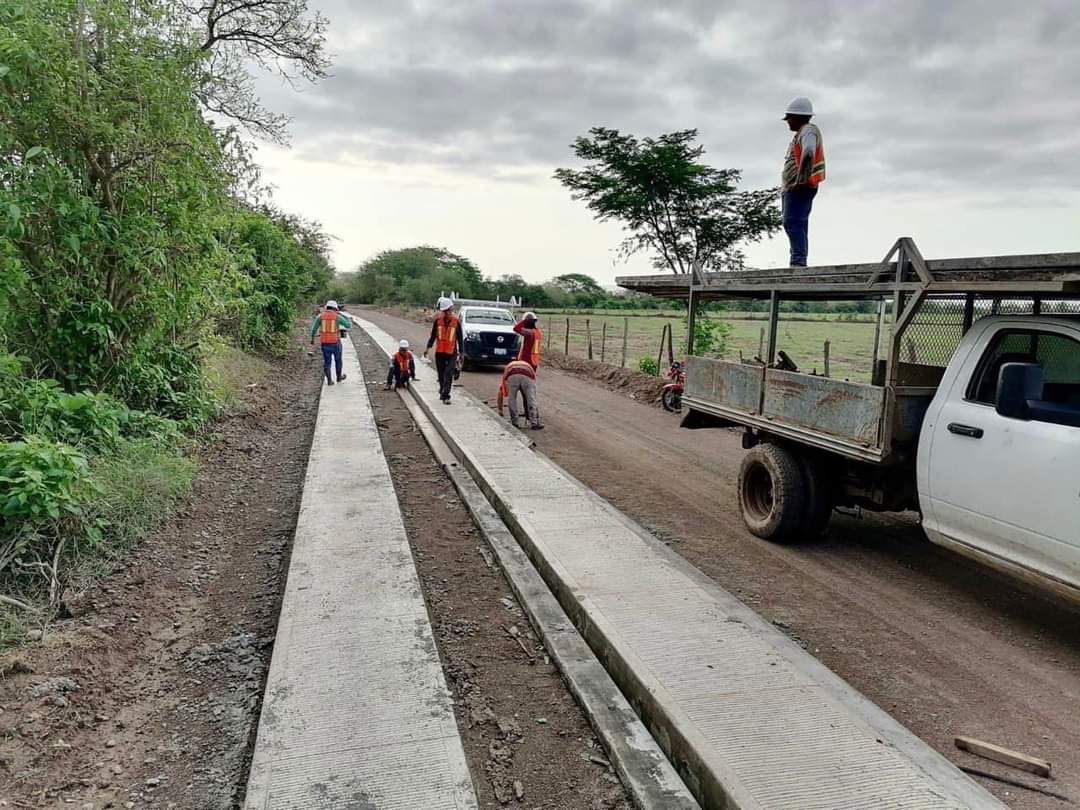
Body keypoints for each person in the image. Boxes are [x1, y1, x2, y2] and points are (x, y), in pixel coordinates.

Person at [780, 96, 826, 267]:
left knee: (792, 222)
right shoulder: (802, 133)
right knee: (798, 223)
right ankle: (798, 260)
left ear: (798, 116)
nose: (788, 122)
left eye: (789, 118)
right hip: (796, 187)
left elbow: (808, 151)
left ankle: (798, 262)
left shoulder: (808, 130)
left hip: (800, 188)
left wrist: (801, 179)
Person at [423, 297, 462, 403]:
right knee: (441, 374)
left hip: (451, 352)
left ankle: (446, 395)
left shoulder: (456, 322)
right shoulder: (437, 321)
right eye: (446, 311)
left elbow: (460, 338)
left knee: (448, 373)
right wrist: (427, 348)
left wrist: (461, 353)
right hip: (440, 352)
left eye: (450, 310)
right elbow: (433, 336)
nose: (448, 313)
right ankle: (442, 389)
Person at [309, 300, 352, 386]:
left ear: (326, 307)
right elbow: (348, 325)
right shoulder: (337, 317)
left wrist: (312, 339)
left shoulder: (320, 316)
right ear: (335, 308)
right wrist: (347, 318)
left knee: (327, 362)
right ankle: (339, 377)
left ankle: (329, 381)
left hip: (325, 343)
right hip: (335, 342)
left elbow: (313, 329)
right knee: (338, 360)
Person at [497, 359, 543, 430]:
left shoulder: (509, 366)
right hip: (527, 375)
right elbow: (533, 392)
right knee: (531, 399)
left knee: (512, 399)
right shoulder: (527, 365)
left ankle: (515, 423)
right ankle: (534, 423)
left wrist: (500, 410)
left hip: (512, 375)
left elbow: (501, 391)